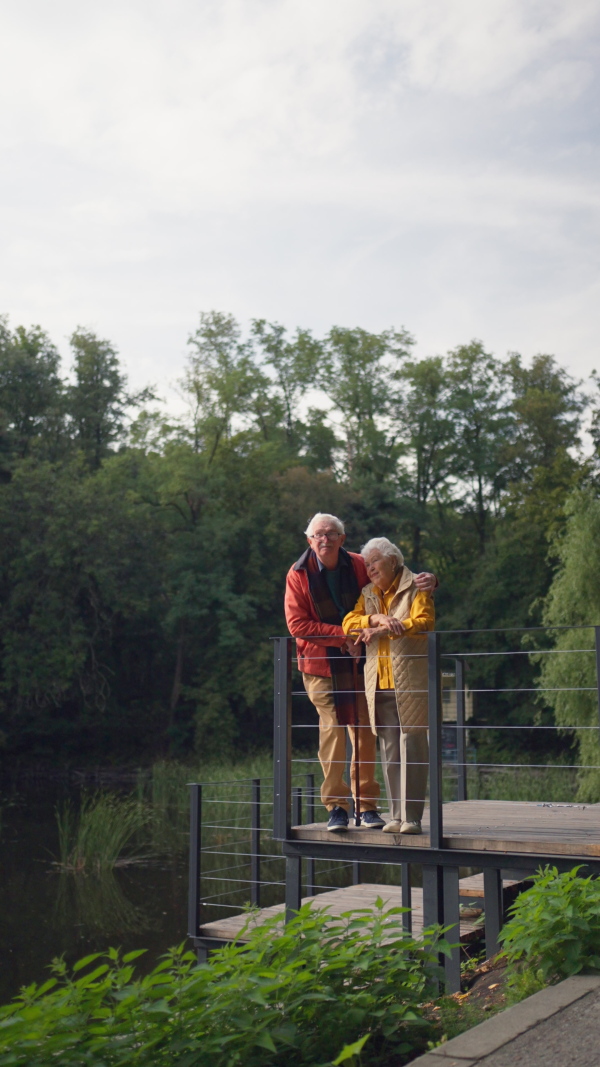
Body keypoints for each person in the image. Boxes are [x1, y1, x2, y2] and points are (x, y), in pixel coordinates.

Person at [285, 514, 437, 832]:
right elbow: (297, 626)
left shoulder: (359, 563)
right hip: (321, 665)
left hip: (360, 663)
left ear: (342, 538)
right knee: (332, 730)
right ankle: (336, 807)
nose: (324, 539)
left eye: (331, 533)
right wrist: (348, 636)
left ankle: (366, 806)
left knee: (365, 731)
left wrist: (431, 582)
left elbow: (394, 580)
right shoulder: (298, 574)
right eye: (318, 534)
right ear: (308, 540)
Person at [342, 536, 435, 835]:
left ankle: (414, 818)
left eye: (375, 562)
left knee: (414, 746)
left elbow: (425, 621)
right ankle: (395, 815)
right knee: (390, 749)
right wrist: (376, 620)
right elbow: (349, 622)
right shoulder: (368, 593)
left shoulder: (415, 586)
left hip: (409, 679)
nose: (369, 569)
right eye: (367, 564)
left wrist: (390, 628)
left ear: (393, 561)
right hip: (379, 681)